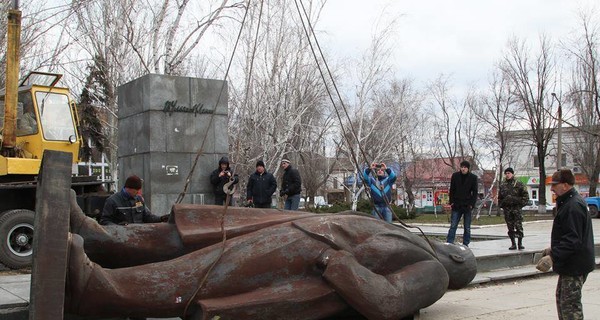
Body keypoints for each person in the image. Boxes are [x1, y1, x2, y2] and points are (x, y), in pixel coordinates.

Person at [63, 205, 477, 320]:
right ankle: (102, 238)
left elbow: (387, 301)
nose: (451, 245)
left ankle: (100, 290)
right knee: (197, 233)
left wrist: (336, 262)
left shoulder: (434, 275)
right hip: (299, 228)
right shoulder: (409, 235)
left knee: (208, 267)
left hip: (311, 254)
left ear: (457, 262)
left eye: (458, 250)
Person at [537, 169, 595, 320]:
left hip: (575, 265)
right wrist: (552, 249)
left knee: (570, 308)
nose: (552, 188)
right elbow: (571, 235)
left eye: (554, 185)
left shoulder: (573, 206)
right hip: (571, 264)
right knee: (563, 302)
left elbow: (573, 240)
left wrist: (553, 256)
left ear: (565, 185)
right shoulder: (569, 202)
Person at [99, 175, 167, 226]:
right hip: (121, 238)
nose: (138, 193)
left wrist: (161, 218)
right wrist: (118, 227)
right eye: (136, 190)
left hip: (138, 235)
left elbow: (147, 217)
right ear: (128, 188)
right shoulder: (112, 201)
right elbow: (104, 221)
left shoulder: (139, 200)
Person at [446, 160, 478, 247]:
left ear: (468, 168)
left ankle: (466, 243)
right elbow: (452, 189)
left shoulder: (473, 178)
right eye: (462, 167)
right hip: (456, 204)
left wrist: (472, 204)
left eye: (465, 167)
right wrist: (451, 202)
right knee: (453, 225)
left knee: (467, 227)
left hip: (467, 205)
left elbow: (475, 192)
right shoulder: (455, 176)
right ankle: (449, 242)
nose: (463, 169)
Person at [498, 167, 529, 250]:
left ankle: (520, 243)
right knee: (510, 227)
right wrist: (502, 204)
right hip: (507, 210)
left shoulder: (519, 184)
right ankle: (513, 244)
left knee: (519, 226)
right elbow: (500, 197)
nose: (507, 175)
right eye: (506, 173)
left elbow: (525, 197)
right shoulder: (503, 185)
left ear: (512, 174)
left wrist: (519, 204)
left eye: (509, 173)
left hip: (516, 209)